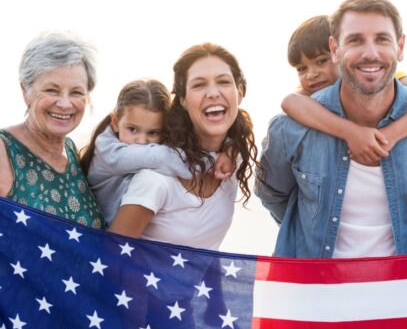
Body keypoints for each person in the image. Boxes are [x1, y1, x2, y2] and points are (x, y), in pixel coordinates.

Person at [256, 0, 407, 258]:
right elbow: (274, 195)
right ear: (336, 49)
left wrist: (390, 136)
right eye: (355, 40)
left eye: (382, 39)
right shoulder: (292, 127)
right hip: (314, 291)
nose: (369, 52)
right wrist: (309, 228)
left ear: (400, 46)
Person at [109, 43, 259, 250]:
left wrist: (232, 149)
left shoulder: (234, 156)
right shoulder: (155, 181)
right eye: (199, 85)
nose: (213, 93)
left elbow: (242, 126)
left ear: (239, 92)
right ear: (183, 100)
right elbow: (109, 259)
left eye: (223, 82)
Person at [283, 14, 407, 166]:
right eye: (301, 68)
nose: (311, 75)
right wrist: (352, 133)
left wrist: (391, 134)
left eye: (321, 61)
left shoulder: (384, 82)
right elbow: (289, 102)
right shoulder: (310, 95)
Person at [79, 78, 234, 226]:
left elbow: (192, 135)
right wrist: (214, 160)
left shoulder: (142, 144)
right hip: (99, 239)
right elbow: (163, 158)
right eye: (132, 129)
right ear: (115, 122)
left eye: (153, 133)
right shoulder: (110, 152)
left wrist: (229, 146)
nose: (141, 141)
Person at [0, 32, 104, 228]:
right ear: (26, 92)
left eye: (76, 92)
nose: (65, 104)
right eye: (51, 90)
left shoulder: (71, 150)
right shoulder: (4, 150)